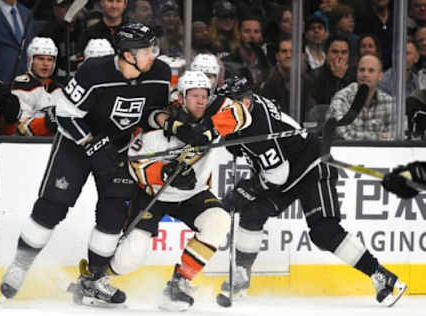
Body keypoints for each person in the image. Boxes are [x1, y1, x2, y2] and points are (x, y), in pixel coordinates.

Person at [0, 22, 171, 305]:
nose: (153, 54)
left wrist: (167, 122)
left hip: (118, 148)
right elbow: (65, 115)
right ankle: (20, 265)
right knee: (52, 206)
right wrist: (91, 143)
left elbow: (152, 113)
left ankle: (93, 279)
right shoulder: (94, 72)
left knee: (114, 212)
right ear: (127, 54)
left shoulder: (160, 73)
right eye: (146, 49)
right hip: (75, 145)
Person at [69, 70, 252, 311]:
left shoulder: (213, 111)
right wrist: (164, 173)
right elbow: (136, 163)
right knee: (130, 257)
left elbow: (242, 113)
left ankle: (179, 284)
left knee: (218, 220)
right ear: (181, 97)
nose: (200, 101)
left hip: (193, 193)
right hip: (153, 194)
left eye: (204, 95)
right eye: (194, 95)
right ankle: (91, 281)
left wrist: (208, 128)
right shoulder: (158, 126)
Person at [218, 76, 407, 308]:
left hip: (310, 167)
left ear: (247, 102)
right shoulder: (242, 111)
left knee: (324, 231)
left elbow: (277, 175)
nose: (229, 108)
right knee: (252, 213)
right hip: (286, 170)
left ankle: (383, 278)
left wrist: (247, 189)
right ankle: (241, 275)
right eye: (226, 103)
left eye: (236, 103)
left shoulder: (258, 125)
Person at [327, 54, 394, 140]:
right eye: (362, 70)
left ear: (380, 76)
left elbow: (398, 135)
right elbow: (342, 133)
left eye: (371, 71)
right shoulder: (342, 98)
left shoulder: (389, 102)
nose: (365, 74)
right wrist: (379, 136)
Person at [13, 37, 62, 137]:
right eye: (40, 59)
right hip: (28, 147)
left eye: (50, 60)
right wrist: (50, 119)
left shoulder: (59, 89)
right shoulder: (20, 86)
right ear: (30, 60)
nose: (45, 64)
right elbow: (21, 129)